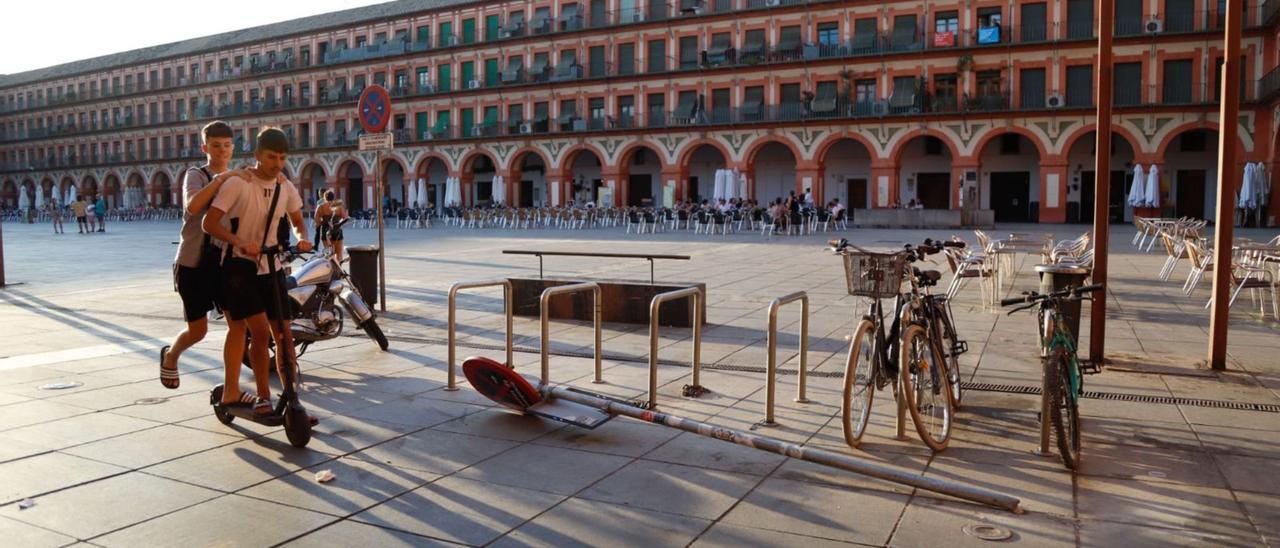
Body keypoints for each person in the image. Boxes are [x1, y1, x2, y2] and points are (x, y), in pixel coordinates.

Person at [202, 127, 313, 415]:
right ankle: (264, 397)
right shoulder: (238, 184)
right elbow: (209, 223)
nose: (277, 164)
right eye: (271, 157)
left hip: (271, 265)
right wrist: (240, 242)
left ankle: (291, 398)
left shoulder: (284, 185)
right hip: (238, 268)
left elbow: (297, 218)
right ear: (257, 155)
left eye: (282, 158)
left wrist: (302, 235)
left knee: (284, 335)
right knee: (261, 333)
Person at [161, 121, 243, 389]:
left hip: (223, 265)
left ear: (233, 148)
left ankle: (232, 387)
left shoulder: (236, 179)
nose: (222, 151)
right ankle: (171, 355)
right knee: (198, 331)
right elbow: (193, 206)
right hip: (193, 263)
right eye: (216, 146)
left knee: (238, 325)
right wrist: (221, 180)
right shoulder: (196, 175)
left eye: (227, 146)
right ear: (205, 147)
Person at [315, 190, 348, 263]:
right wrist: (338, 223)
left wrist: (324, 222)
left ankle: (331, 271)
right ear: (333, 198)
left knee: (329, 254)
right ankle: (339, 271)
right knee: (339, 255)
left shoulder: (320, 207)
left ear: (324, 198)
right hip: (337, 229)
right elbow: (345, 217)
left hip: (325, 230)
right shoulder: (339, 207)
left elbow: (316, 220)